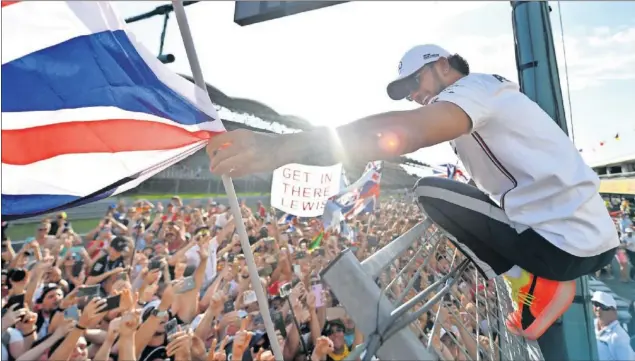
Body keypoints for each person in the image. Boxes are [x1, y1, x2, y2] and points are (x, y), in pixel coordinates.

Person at [206, 44, 619, 340]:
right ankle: (534, 278)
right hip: (586, 238)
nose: (415, 95)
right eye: (407, 92)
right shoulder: (487, 97)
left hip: (562, 246)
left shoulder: (473, 91)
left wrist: (279, 148)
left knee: (429, 193)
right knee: (453, 194)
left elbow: (406, 132)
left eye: (415, 82)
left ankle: (528, 280)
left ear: (442, 65)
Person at [591, 291, 635, 361]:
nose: (598, 308)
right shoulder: (589, 326)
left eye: (603, 307)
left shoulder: (618, 337)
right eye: (596, 304)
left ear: (614, 311)